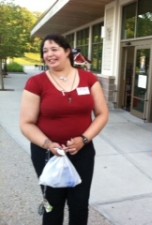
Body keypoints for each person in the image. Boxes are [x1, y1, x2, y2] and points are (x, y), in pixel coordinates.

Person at [20, 34, 109, 225]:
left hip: (82, 152)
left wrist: (83, 139)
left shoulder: (88, 79)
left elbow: (102, 114)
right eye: (45, 51)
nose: (49, 54)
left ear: (67, 51)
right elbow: (26, 123)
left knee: (79, 204)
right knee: (52, 204)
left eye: (54, 49)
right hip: (48, 154)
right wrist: (48, 144)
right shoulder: (36, 83)